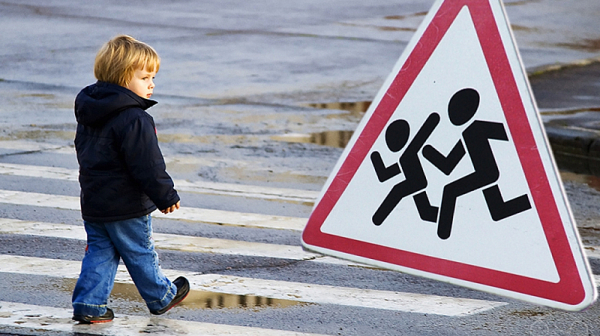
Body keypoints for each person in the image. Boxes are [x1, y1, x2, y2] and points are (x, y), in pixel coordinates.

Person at [71, 35, 189, 324]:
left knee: (100, 252)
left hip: (94, 199)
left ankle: (89, 303)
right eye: (145, 77)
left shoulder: (90, 110)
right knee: (139, 250)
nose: (151, 84)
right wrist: (166, 195)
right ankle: (161, 296)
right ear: (123, 78)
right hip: (127, 203)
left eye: (153, 77)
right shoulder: (135, 118)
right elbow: (147, 164)